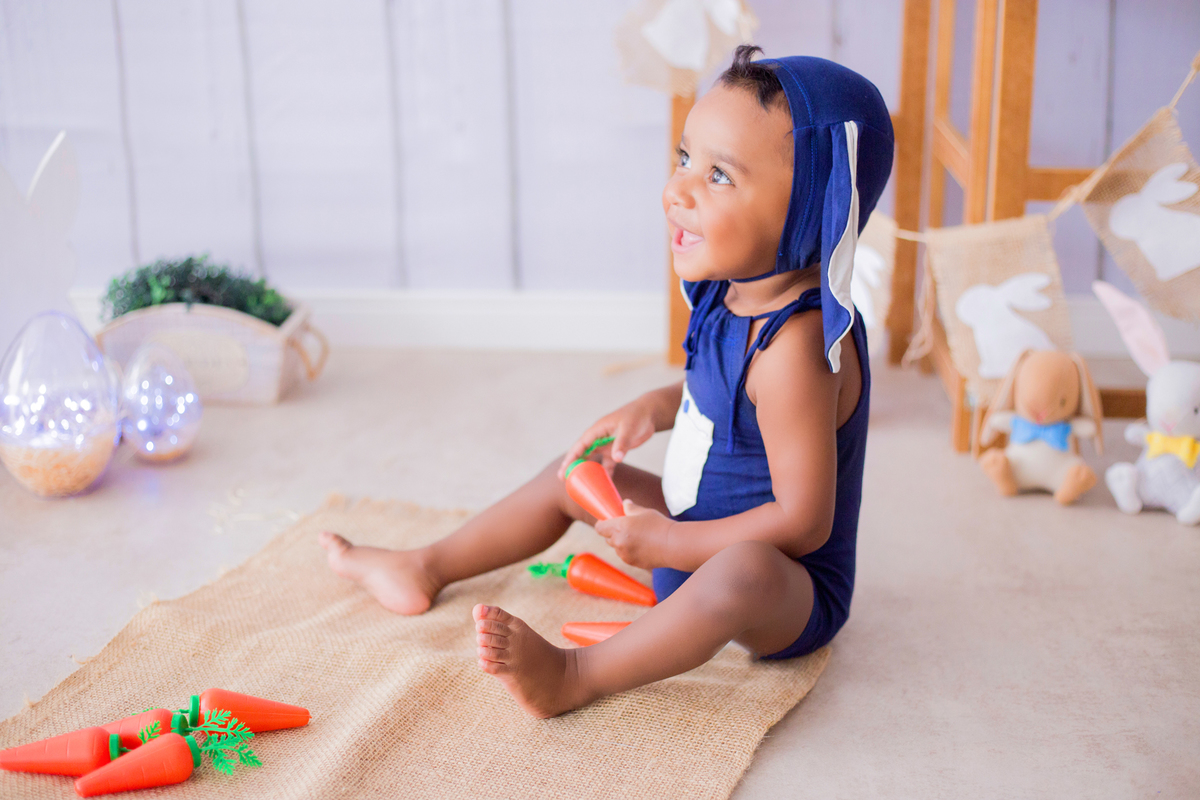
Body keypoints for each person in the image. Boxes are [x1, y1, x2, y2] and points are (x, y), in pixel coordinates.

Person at [319, 46, 894, 718]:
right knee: (579, 472)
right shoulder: (731, 289)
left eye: (719, 177)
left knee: (745, 568)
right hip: (692, 536)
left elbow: (801, 523)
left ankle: (577, 675)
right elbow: (728, 400)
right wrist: (653, 407)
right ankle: (426, 565)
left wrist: (676, 544)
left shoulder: (797, 349)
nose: (678, 191)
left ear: (812, 212)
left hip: (781, 593)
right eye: (684, 159)